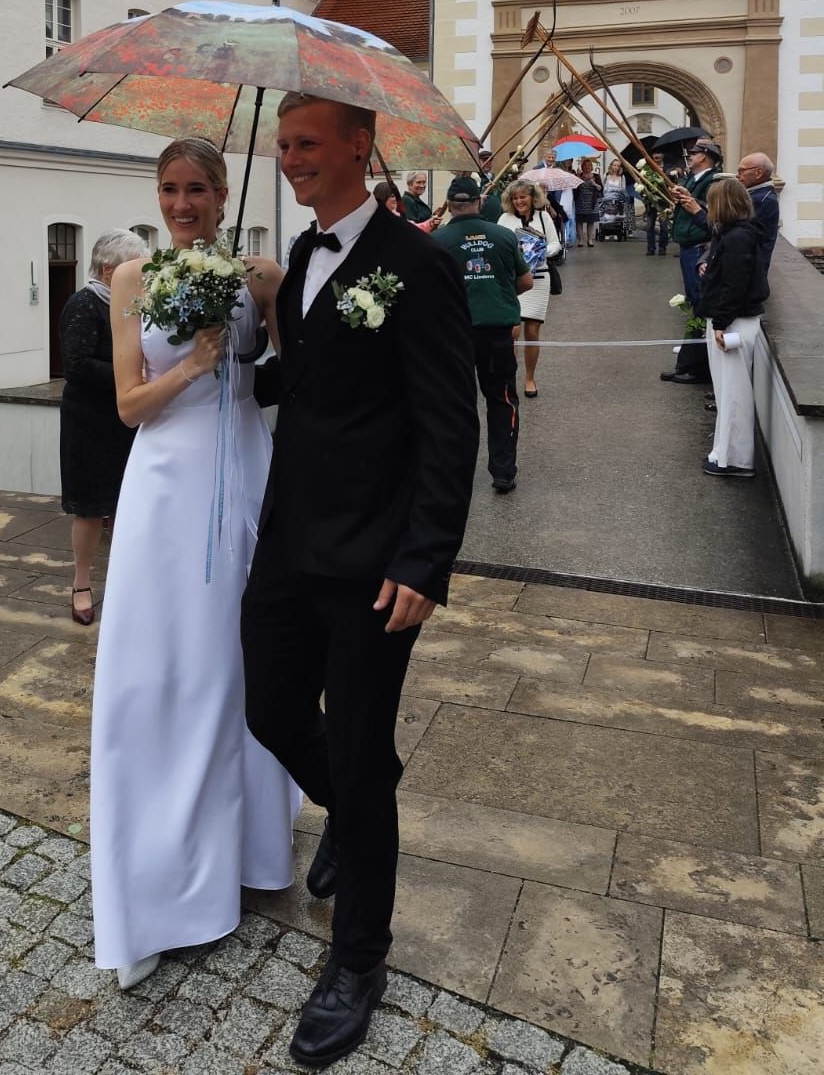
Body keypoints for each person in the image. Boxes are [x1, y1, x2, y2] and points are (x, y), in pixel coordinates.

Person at [242, 94, 478, 1069]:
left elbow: (449, 422)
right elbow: (304, 385)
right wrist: (218, 367)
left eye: (306, 143)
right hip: (288, 540)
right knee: (269, 709)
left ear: (358, 146)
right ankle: (352, 799)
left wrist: (425, 560)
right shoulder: (302, 254)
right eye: (283, 144)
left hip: (377, 563)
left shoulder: (417, 262)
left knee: (363, 751)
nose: (290, 157)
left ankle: (358, 960)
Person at [91, 138, 298, 991]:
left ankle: (249, 848)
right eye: (170, 190)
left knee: (241, 662)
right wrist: (197, 365)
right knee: (159, 666)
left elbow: (303, 379)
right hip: (165, 486)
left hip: (243, 471)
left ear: (221, 195)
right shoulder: (132, 279)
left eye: (198, 190)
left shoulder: (262, 279)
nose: (183, 205)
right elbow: (128, 404)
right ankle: (155, 885)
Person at [59, 228, 147, 626]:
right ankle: (81, 584)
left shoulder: (131, 305)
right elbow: (77, 367)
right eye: (135, 266)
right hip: (90, 424)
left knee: (129, 505)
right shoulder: (84, 303)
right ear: (110, 271)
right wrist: (134, 375)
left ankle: (128, 586)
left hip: (126, 418)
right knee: (90, 509)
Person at [432, 177, 532, 494]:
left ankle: (454, 472)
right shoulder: (503, 236)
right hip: (497, 331)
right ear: (478, 202)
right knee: (502, 399)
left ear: (450, 206)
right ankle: (503, 471)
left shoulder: (437, 241)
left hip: (455, 334)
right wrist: (500, 293)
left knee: (456, 403)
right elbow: (526, 282)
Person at [700, 177, 769, 478]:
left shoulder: (738, 238)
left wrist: (720, 322)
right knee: (727, 391)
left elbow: (735, 284)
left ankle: (736, 459)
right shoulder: (735, 234)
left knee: (733, 393)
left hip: (733, 322)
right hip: (732, 319)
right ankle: (725, 453)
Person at [661, 139, 722, 384]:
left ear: (704, 156)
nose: (690, 156)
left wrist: (692, 202)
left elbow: (713, 213)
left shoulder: (714, 180)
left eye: (694, 153)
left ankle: (696, 367)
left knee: (699, 303)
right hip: (689, 245)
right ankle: (687, 363)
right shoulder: (692, 178)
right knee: (695, 302)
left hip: (698, 247)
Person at [499, 180, 561, 399]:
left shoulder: (544, 217)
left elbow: (556, 244)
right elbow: (498, 245)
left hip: (539, 277)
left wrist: (541, 250)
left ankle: (530, 378)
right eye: (515, 198)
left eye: (522, 197)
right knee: (512, 331)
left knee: (532, 331)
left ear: (532, 198)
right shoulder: (505, 219)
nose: (519, 201)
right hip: (513, 279)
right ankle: (510, 378)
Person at [736, 153, 779, 272]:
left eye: (741, 171)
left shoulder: (762, 199)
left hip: (749, 269)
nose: (738, 175)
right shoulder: (757, 195)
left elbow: (739, 232)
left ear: (758, 173)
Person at [572, 158, 603, 248]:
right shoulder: (579, 175)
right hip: (580, 202)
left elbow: (601, 189)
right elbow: (574, 188)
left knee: (590, 221)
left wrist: (594, 184)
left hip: (592, 202)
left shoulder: (596, 176)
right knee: (579, 221)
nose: (587, 167)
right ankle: (581, 240)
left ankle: (590, 240)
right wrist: (577, 178)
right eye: (585, 166)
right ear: (582, 167)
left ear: (591, 167)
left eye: (589, 165)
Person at [476, 148, 502, 221]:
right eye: (484, 160)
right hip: (484, 217)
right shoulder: (475, 178)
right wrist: (484, 188)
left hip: (497, 216)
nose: (488, 163)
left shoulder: (494, 177)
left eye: (490, 160)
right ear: (478, 162)